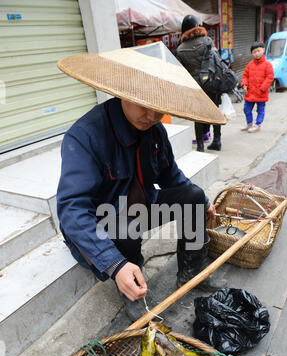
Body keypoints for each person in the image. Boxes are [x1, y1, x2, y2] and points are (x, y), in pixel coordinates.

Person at [56, 42, 225, 322]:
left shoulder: (155, 130)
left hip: (141, 205)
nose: (152, 117)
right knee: (122, 226)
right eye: (145, 107)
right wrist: (115, 264)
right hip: (103, 222)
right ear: (124, 92)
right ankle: (133, 290)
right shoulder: (85, 137)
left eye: (159, 110)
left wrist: (203, 202)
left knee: (193, 195)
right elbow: (72, 211)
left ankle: (191, 271)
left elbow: (171, 175)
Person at [175, 15, 222, 151]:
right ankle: (217, 141)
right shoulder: (207, 41)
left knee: (198, 115)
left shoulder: (180, 49)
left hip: (196, 87)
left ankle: (200, 145)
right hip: (212, 83)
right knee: (214, 112)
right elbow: (216, 60)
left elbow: (181, 71)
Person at [241, 41, 274, 133]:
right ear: (252, 53)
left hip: (261, 93)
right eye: (254, 52)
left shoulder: (267, 65)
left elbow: (270, 77)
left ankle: (258, 125)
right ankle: (249, 124)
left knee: (260, 110)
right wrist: (244, 85)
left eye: (258, 51)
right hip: (250, 92)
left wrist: (262, 88)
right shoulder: (249, 64)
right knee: (246, 109)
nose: (256, 53)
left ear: (263, 50)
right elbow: (245, 76)